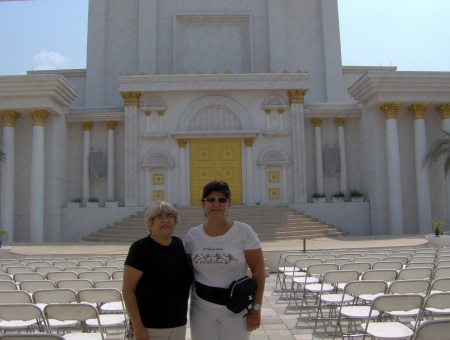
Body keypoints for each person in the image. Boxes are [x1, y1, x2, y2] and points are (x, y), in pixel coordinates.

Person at [185, 180, 265, 340]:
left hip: (236, 308)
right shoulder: (193, 236)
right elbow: (187, 273)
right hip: (202, 309)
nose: (216, 204)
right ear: (203, 204)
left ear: (228, 205)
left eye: (222, 200)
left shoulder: (244, 232)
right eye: (211, 200)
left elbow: (258, 271)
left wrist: (256, 309)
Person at [122, 201, 194, 340]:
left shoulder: (178, 244)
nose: (165, 220)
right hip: (150, 327)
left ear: (175, 221)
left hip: (178, 324)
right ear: (151, 222)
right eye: (159, 216)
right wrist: (138, 326)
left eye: (169, 216)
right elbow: (128, 290)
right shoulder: (140, 249)